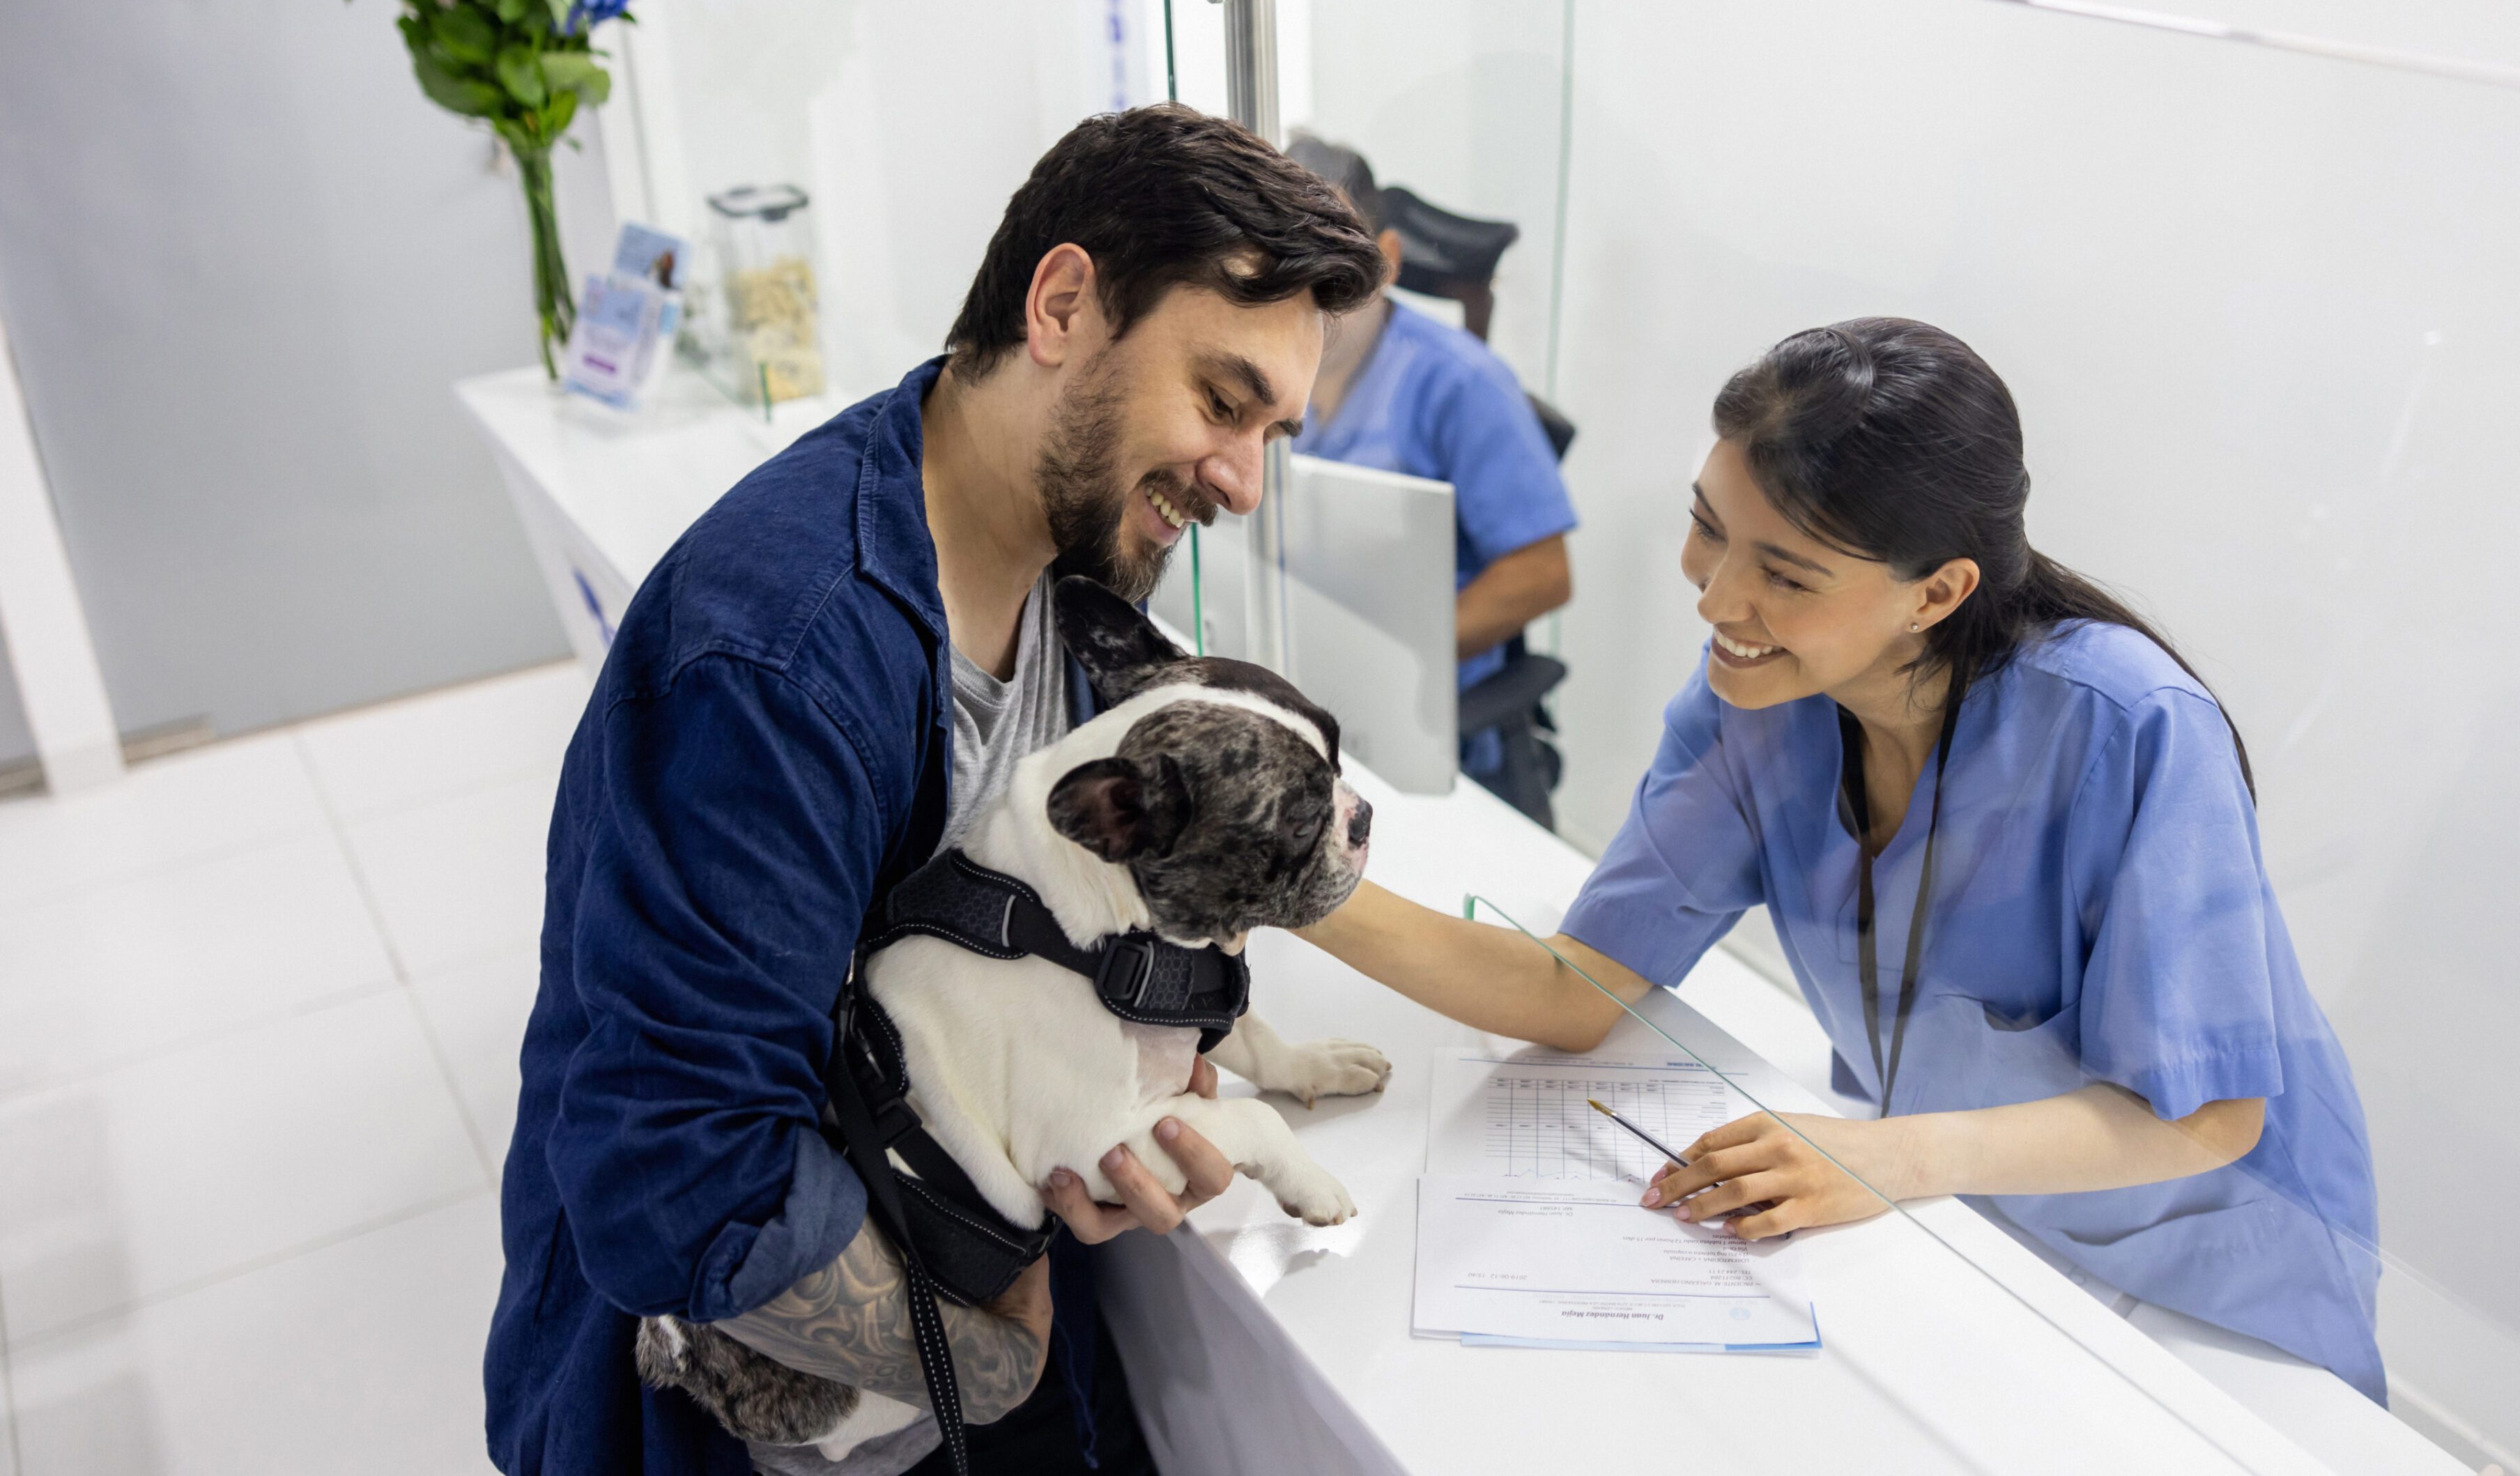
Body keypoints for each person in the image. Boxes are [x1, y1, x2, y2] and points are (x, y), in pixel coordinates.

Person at [483, 103, 1385, 1476]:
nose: (1244, 484)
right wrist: (996, 1356)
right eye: (1219, 401)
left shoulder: (1075, 579)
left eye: (1273, 431)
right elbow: (672, 1184)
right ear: (1065, 304)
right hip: (759, 1404)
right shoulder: (771, 663)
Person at [1300, 318, 2385, 1401]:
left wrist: (1896, 1156)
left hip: (2210, 1293)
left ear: (1938, 593)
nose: (1719, 600)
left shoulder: (2129, 728)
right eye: (1706, 527)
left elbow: (2206, 1118)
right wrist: (1285, 880)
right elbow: (1574, 988)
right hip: (1961, 1226)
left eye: (1787, 573)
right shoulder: (1758, 704)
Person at [1285, 135, 1578, 822]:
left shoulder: (1459, 384)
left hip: (1419, 721)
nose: (1310, 295)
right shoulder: (1271, 374)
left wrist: (1387, 662)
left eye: (1334, 265)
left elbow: (1543, 574)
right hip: (1302, 682)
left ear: (1385, 261)